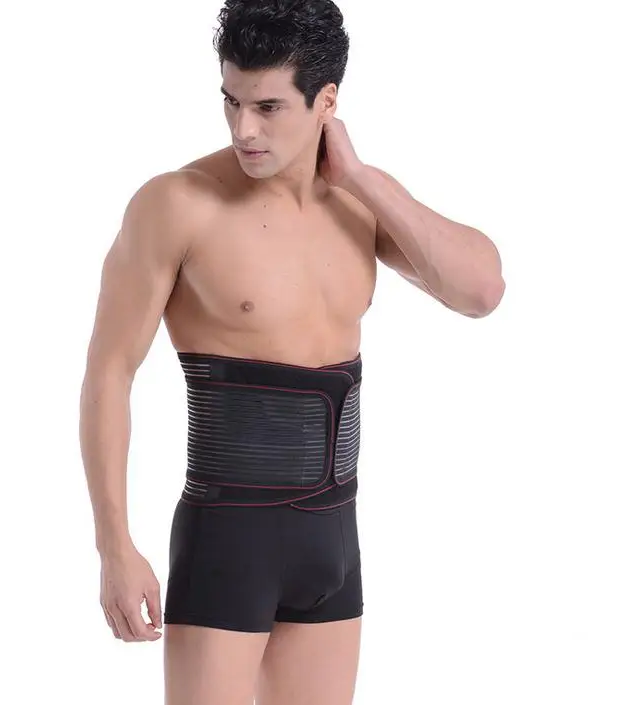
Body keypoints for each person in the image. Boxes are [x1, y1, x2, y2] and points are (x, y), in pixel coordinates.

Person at [79, 1, 505, 703]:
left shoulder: (360, 203)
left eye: (269, 106)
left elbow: (481, 291)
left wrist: (361, 178)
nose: (243, 128)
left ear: (326, 101)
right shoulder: (177, 204)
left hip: (334, 538)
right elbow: (109, 372)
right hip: (228, 539)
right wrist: (114, 547)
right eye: (231, 101)